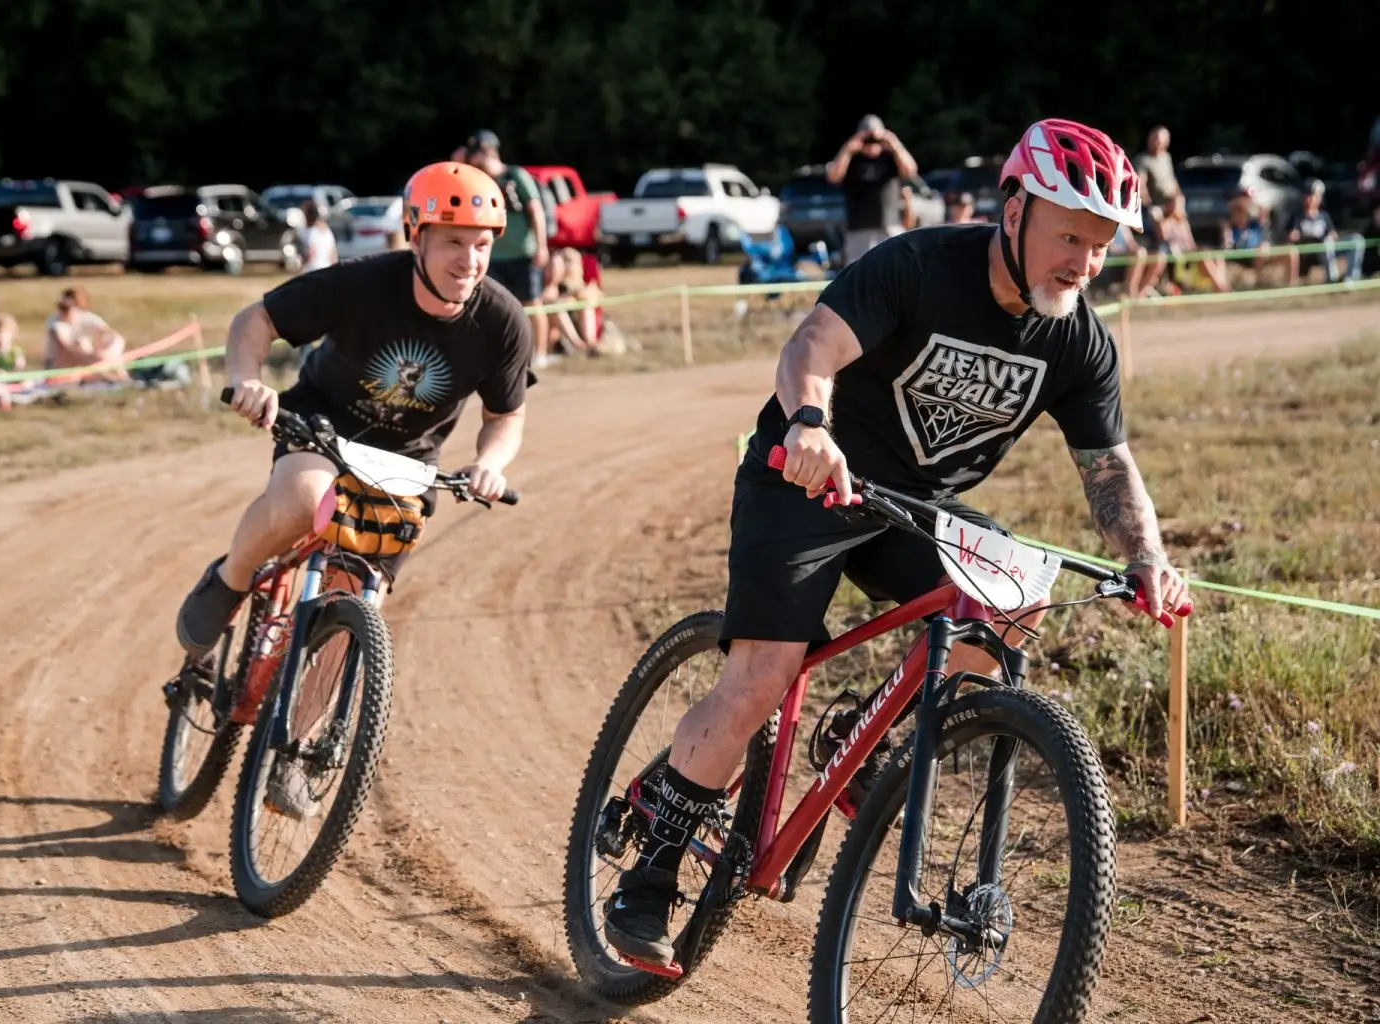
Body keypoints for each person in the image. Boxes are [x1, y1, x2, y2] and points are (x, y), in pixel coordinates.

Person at [601, 117, 1193, 968]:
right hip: (804, 483)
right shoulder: (919, 266)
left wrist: (1148, 560)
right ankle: (651, 872)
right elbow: (812, 347)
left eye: (1101, 247)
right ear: (1013, 209)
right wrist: (811, 424)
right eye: (1071, 237)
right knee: (763, 674)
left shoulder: (1077, 338)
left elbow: (1108, 468)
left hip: (912, 507)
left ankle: (861, 739)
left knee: (1014, 598)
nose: (1085, 263)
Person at [172, 161, 533, 811]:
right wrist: (247, 378)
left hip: (408, 467)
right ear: (415, 234)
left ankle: (298, 748)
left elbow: (506, 415)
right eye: (453, 240)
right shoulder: (363, 283)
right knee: (306, 501)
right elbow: (253, 323)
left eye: (482, 243)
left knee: (359, 598)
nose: (470, 259)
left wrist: (491, 462)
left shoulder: (503, 321)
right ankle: (230, 579)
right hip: (320, 428)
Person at [465, 130, 553, 368]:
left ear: (489, 152)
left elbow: (536, 211)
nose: (472, 160)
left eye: (476, 154)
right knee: (495, 307)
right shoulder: (479, 182)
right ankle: (501, 354)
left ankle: (541, 353)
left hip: (523, 253)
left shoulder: (515, 176)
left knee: (531, 303)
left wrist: (541, 247)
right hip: (494, 256)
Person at [824, 114, 918, 262]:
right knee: (858, 274)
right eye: (867, 140)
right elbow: (833, 177)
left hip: (889, 226)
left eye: (875, 140)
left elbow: (910, 171)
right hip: (858, 229)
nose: (871, 144)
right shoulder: (851, 160)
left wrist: (895, 145)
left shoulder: (891, 158)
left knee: (894, 271)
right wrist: (848, 149)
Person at [44, 285, 128, 381]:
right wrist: (89, 359)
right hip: (60, 366)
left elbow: (110, 334)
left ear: (77, 307)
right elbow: (63, 349)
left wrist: (101, 350)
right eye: (60, 306)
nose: (61, 312)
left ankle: (120, 377)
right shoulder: (55, 323)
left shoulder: (86, 318)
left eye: (66, 308)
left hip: (87, 363)